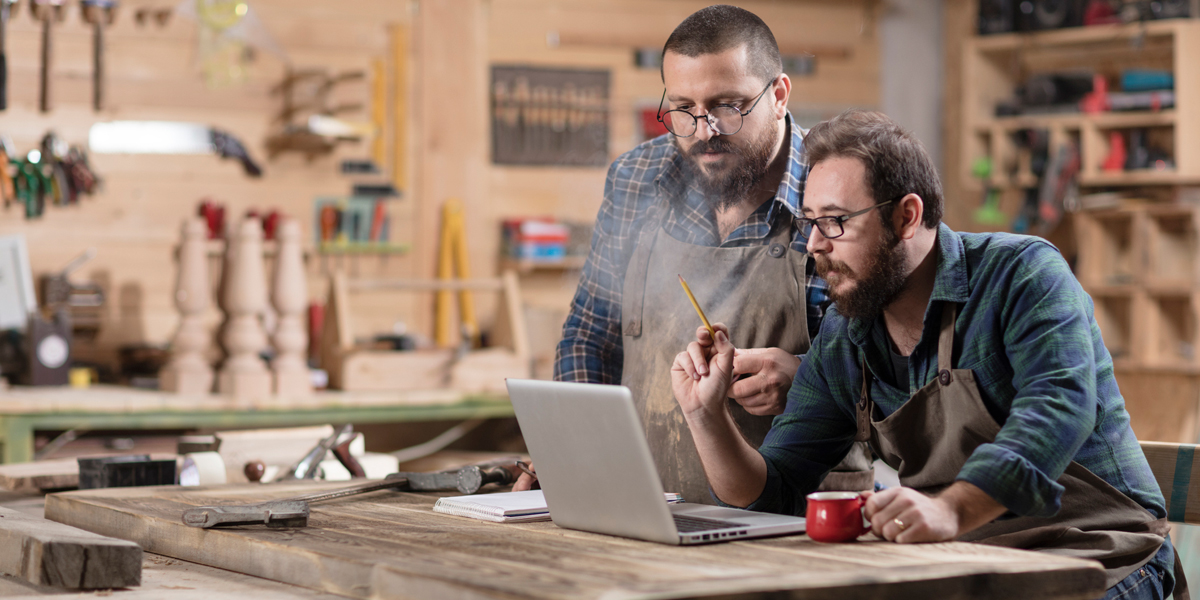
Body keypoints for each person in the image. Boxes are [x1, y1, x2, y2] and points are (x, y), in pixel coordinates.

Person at [671, 109, 1179, 599]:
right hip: (968, 568)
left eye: (836, 221)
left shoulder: (1023, 274)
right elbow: (774, 491)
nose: (814, 245)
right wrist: (706, 416)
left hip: (1099, 558)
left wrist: (952, 510)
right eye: (811, 222)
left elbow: (1059, 409)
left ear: (907, 216)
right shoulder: (845, 337)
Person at [514, 5, 871, 502]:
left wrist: (809, 379)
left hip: (799, 517)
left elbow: (891, 368)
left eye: (728, 106)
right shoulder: (636, 179)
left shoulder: (840, 191)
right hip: (648, 507)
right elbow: (591, 335)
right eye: (684, 109)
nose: (705, 131)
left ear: (779, 95)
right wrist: (575, 451)